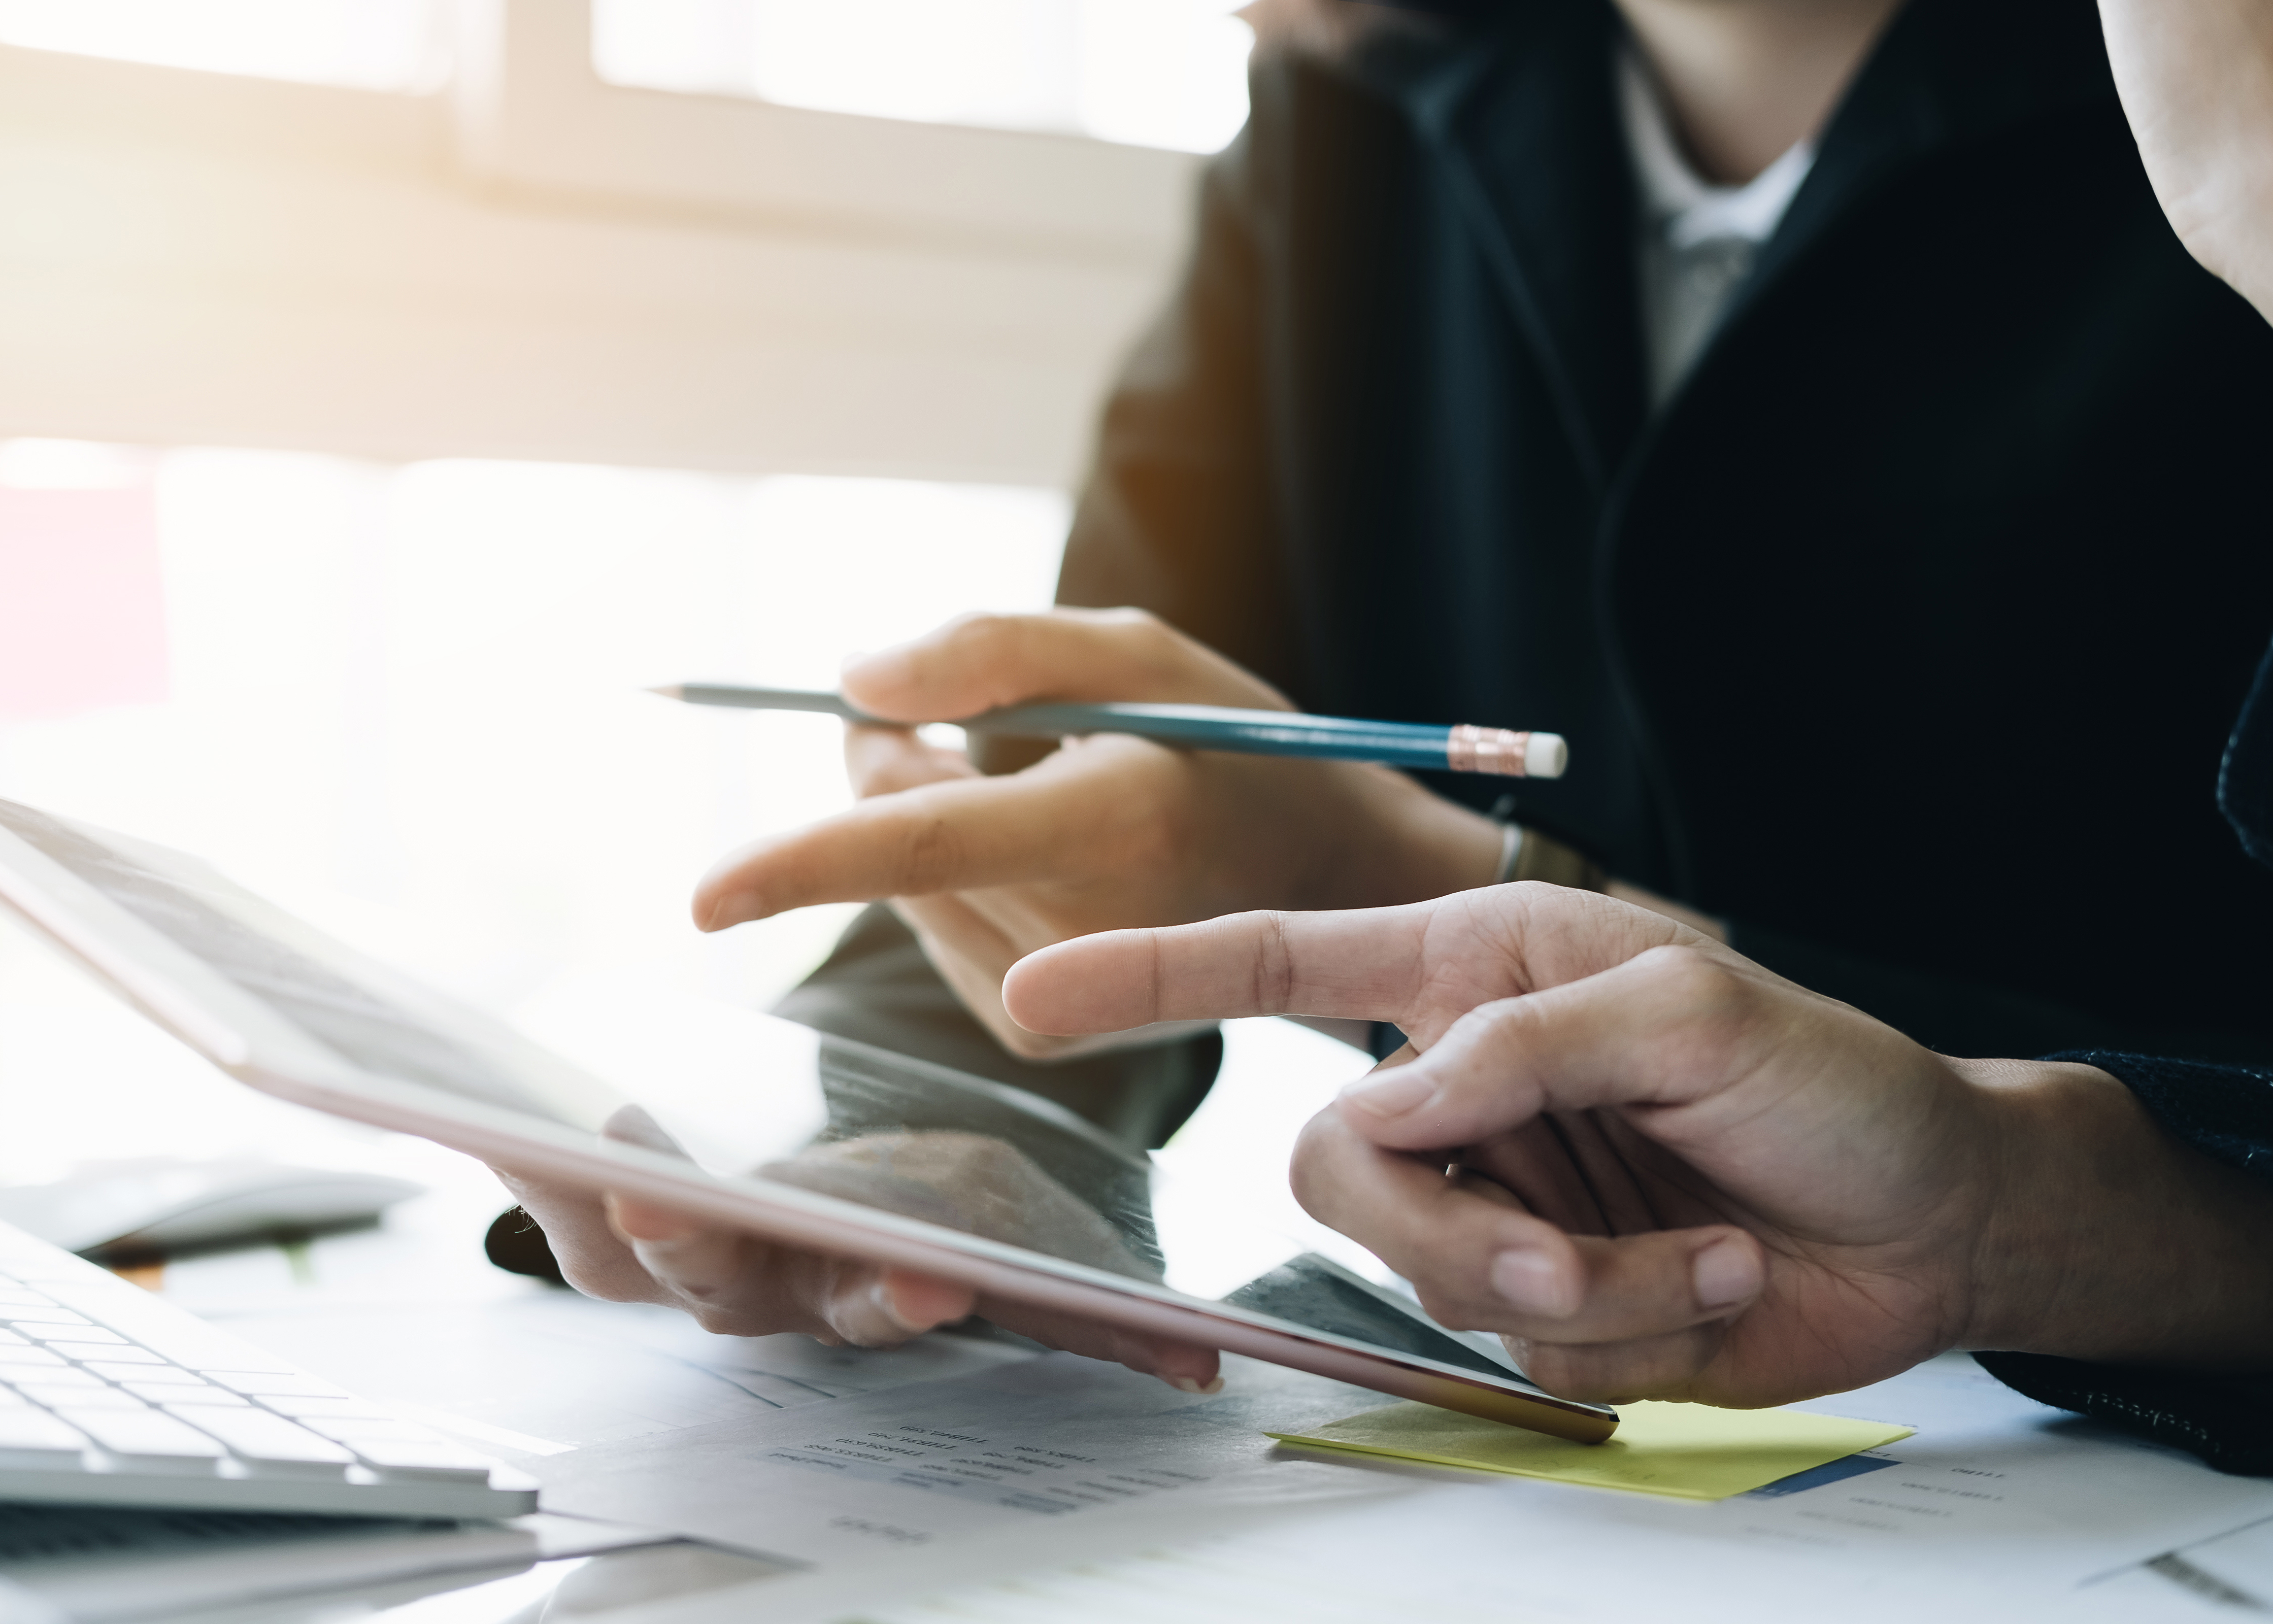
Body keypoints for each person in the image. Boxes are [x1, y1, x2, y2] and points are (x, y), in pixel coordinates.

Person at [502, 0, 2273, 1434]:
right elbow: (1119, 771)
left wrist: (1436, 869)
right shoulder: (1352, 100)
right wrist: (938, 1130)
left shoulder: (2228, 115)